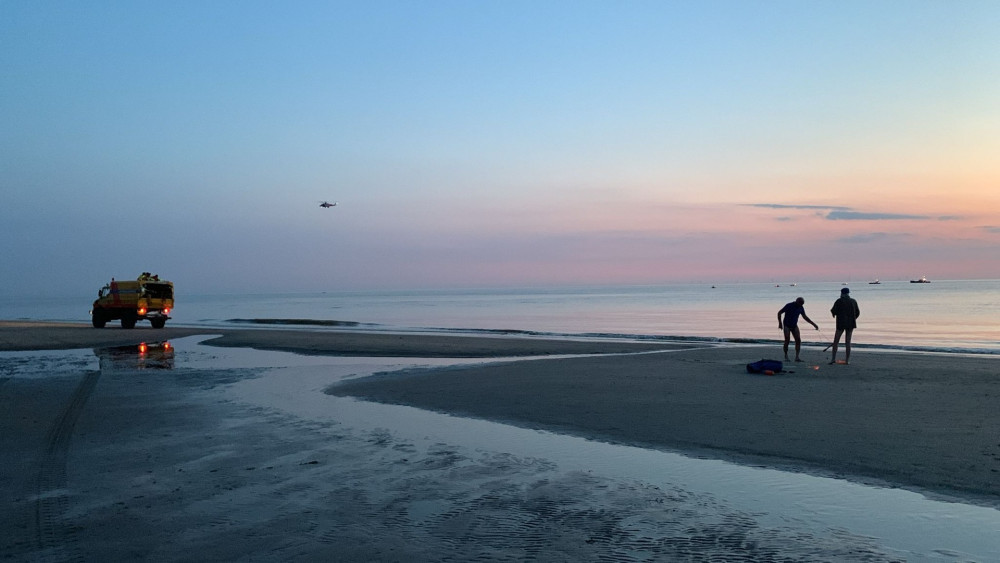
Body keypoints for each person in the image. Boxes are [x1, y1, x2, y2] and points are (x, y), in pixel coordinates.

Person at [777, 297, 818, 362]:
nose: (800, 305)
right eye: (800, 303)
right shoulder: (789, 305)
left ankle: (797, 357)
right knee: (787, 340)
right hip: (787, 325)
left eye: (802, 304)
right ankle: (786, 356)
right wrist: (780, 323)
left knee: (798, 340)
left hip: (794, 325)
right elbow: (779, 313)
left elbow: (805, 317)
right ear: (796, 301)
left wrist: (814, 324)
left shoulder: (801, 308)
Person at [829, 287, 860, 365]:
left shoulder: (839, 301)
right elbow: (857, 312)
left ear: (842, 293)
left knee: (836, 341)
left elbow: (833, 311)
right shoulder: (853, 301)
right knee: (848, 342)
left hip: (841, 323)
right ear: (848, 293)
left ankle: (833, 358)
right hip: (851, 323)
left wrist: (834, 314)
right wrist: (853, 318)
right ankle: (847, 360)